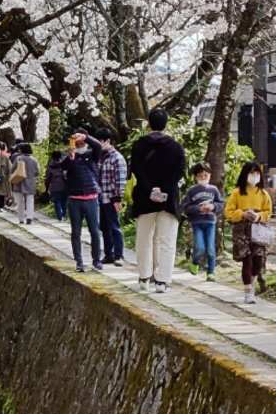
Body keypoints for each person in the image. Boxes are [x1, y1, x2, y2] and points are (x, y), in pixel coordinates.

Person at [130, 108, 187, 293]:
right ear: (167, 125)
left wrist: (151, 188)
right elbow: (180, 170)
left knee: (144, 238)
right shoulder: (176, 147)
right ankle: (162, 281)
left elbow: (136, 169)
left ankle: (144, 277)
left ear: (148, 124)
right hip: (168, 199)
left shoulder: (139, 145)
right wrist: (164, 188)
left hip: (144, 198)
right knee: (167, 240)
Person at [225, 161, 273, 304]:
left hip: (258, 229)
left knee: (258, 260)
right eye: (251, 173)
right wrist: (242, 214)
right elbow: (229, 212)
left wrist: (260, 216)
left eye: (257, 173)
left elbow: (268, 212)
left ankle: (250, 280)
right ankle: (248, 292)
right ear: (245, 175)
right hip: (242, 230)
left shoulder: (263, 194)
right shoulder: (237, 193)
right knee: (247, 259)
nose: (254, 176)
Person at [61, 131, 103, 272]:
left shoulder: (92, 155)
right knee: (76, 233)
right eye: (76, 143)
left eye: (81, 143)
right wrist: (71, 156)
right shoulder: (68, 158)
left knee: (95, 232)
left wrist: (85, 136)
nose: (80, 145)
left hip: (92, 198)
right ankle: (79, 261)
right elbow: (63, 166)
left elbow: (98, 146)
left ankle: (96, 259)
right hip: (74, 199)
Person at [181, 162, 224, 281]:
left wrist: (213, 206)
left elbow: (220, 204)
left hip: (210, 221)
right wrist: (198, 209)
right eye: (200, 176)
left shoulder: (214, 190)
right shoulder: (192, 191)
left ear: (210, 175)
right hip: (196, 222)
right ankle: (195, 261)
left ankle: (210, 272)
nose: (203, 178)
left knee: (210, 247)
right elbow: (186, 207)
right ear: (195, 177)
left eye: (205, 175)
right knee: (200, 246)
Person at [93, 128, 127, 267]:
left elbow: (120, 180)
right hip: (101, 197)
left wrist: (117, 199)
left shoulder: (116, 158)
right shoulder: (100, 157)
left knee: (115, 227)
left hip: (111, 198)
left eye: (101, 142)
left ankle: (119, 255)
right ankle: (109, 254)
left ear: (108, 141)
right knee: (104, 228)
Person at [10, 142, 40, 224]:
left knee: (20, 201)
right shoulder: (34, 160)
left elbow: (12, 169)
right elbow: (37, 172)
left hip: (19, 181)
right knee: (30, 200)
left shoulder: (19, 158)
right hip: (30, 182)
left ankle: (21, 219)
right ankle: (29, 217)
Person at [44, 150, 68, 222]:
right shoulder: (64, 165)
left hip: (55, 186)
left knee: (57, 202)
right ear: (61, 156)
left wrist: (47, 187)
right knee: (64, 201)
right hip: (64, 186)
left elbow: (48, 178)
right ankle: (63, 215)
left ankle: (59, 217)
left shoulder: (50, 167)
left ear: (52, 157)